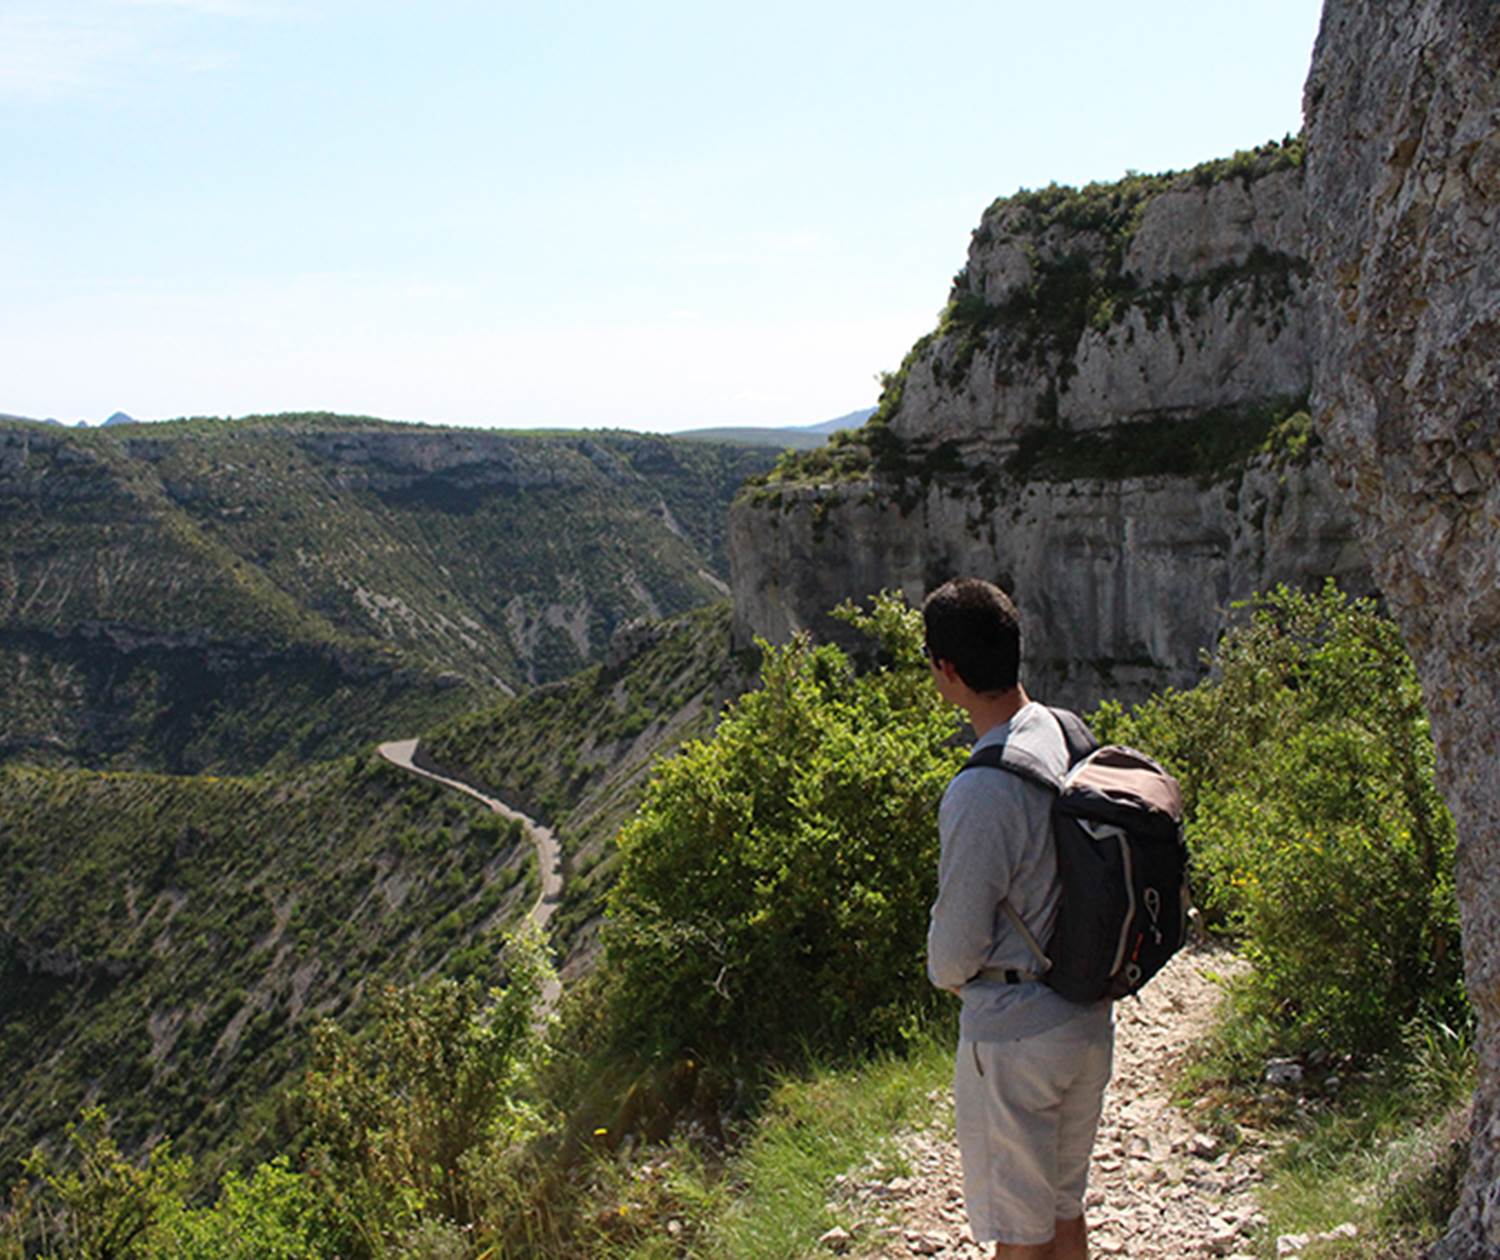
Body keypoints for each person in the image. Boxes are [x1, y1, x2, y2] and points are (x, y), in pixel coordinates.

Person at [923, 577, 1114, 1260]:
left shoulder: (981, 790)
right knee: (1064, 1211)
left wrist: (945, 970)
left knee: (1017, 1235)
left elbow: (952, 955)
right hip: (1086, 1016)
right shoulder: (1067, 731)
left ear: (946, 671)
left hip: (1014, 1037)